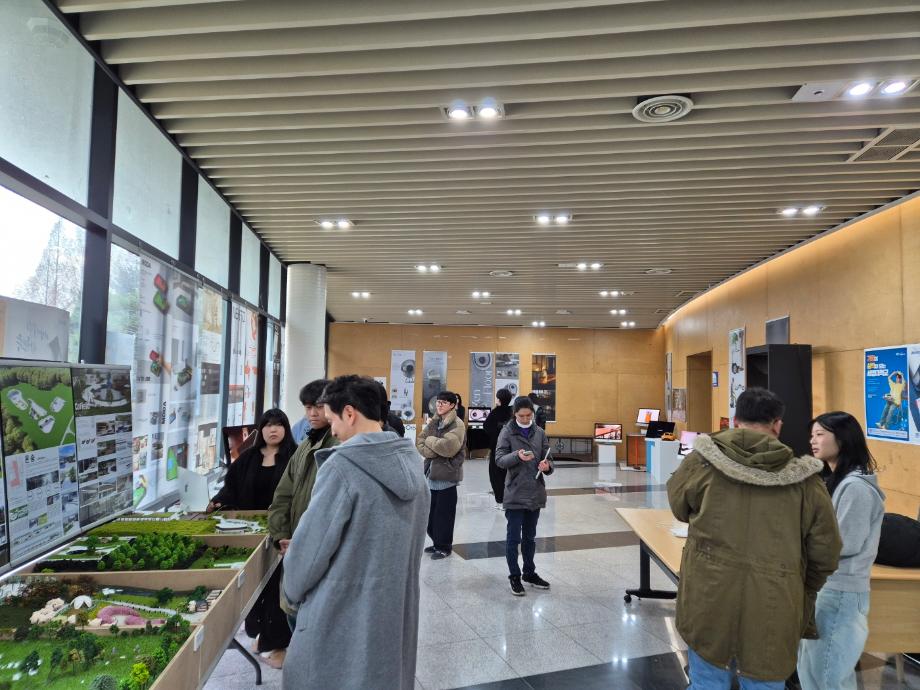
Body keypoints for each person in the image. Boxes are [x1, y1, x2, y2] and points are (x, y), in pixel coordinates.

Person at [666, 387, 841, 689]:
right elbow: (826, 551)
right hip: (775, 603)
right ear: (777, 425)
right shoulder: (805, 480)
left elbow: (680, 507)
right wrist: (799, 586)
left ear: (735, 421)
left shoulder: (701, 462)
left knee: (707, 681)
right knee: (765, 681)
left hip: (708, 596)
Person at [282, 375, 429, 690]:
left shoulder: (342, 468)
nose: (333, 430)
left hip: (341, 613)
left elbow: (309, 554)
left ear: (349, 413)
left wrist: (290, 591)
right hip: (394, 611)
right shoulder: (414, 466)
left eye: (333, 420)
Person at [797, 412, 885, 690]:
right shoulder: (835, 481)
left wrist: (800, 542)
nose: (813, 441)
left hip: (841, 591)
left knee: (828, 675)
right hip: (826, 587)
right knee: (810, 669)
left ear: (843, 439)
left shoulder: (856, 488)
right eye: (812, 435)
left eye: (820, 434)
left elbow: (846, 543)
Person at [208, 408, 298, 668]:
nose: (273, 429)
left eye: (278, 424)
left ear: (286, 428)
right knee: (255, 588)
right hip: (252, 533)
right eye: (268, 425)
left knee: (278, 590)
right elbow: (231, 488)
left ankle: (278, 644)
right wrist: (217, 502)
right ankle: (261, 635)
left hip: (282, 532)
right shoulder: (247, 458)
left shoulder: (294, 457)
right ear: (261, 429)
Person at [267, 378, 338, 632]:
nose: (312, 414)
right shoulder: (305, 445)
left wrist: (303, 542)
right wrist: (281, 535)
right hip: (293, 548)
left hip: (319, 555)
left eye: (318, 406)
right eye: (308, 407)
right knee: (295, 619)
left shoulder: (338, 447)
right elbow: (283, 495)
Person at [495, 396, 553, 596]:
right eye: (522, 416)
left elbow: (548, 457)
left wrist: (547, 466)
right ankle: (514, 576)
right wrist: (517, 456)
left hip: (535, 491)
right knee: (513, 538)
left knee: (530, 537)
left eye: (529, 415)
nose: (526, 419)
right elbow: (499, 459)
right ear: (515, 414)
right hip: (515, 492)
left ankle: (529, 573)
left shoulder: (540, 432)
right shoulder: (507, 431)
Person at [416, 391, 465, 560]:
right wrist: (433, 450)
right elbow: (419, 441)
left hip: (447, 476)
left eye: (443, 402)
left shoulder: (457, 424)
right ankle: (437, 543)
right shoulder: (435, 421)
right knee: (431, 515)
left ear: (452, 405)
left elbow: (448, 448)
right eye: (438, 402)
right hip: (431, 474)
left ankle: (444, 547)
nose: (439, 405)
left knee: (444, 516)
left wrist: (430, 441)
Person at [484, 388, 514, 507]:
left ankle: (500, 500)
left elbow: (486, 427)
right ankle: (510, 498)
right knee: (509, 473)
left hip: (497, 448)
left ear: (499, 399)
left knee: (495, 474)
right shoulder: (513, 411)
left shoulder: (495, 412)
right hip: (511, 448)